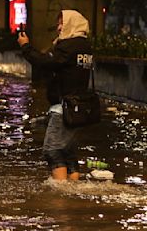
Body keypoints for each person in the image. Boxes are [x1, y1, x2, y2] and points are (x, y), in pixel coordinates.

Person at [18, 10, 93, 181]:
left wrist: (25, 46)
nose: (59, 28)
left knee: (51, 150)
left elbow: (45, 62)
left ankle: (61, 196)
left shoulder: (68, 46)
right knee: (68, 152)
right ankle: (73, 195)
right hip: (78, 107)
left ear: (71, 24)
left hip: (63, 107)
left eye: (62, 23)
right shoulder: (85, 47)